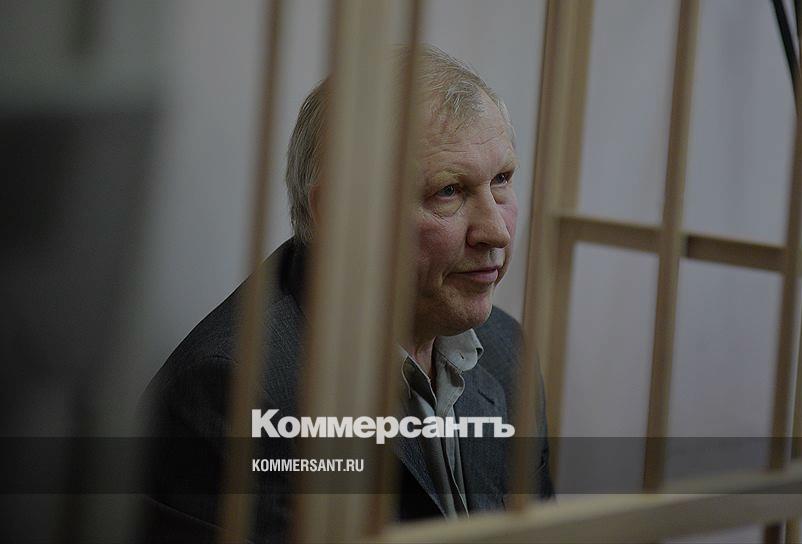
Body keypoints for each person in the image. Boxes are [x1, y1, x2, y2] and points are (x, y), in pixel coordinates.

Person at [139, 45, 553, 543]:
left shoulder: (507, 352)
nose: (496, 231)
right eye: (449, 191)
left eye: (502, 180)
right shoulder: (234, 390)